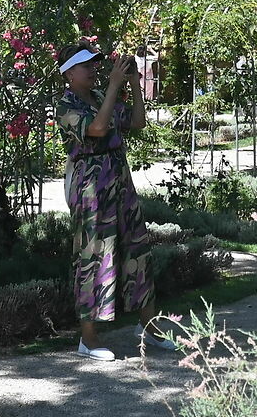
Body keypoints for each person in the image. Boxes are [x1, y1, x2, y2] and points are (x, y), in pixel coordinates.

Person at [57, 43, 173, 360]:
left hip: (120, 182)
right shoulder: (66, 105)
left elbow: (136, 122)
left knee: (138, 249)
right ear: (68, 73)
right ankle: (88, 340)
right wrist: (112, 86)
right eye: (86, 66)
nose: (94, 69)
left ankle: (148, 327)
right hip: (91, 189)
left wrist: (133, 83)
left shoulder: (97, 97)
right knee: (93, 257)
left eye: (96, 64)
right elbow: (96, 128)